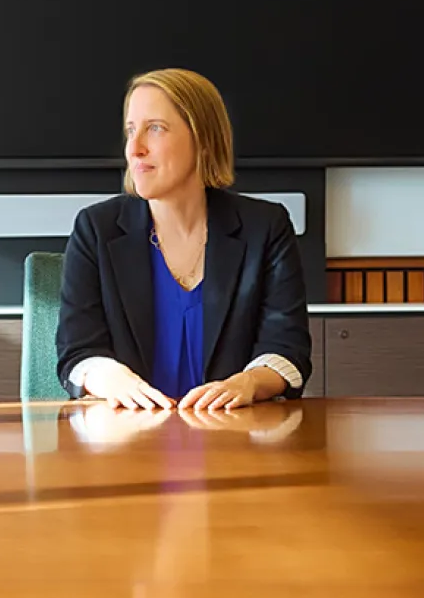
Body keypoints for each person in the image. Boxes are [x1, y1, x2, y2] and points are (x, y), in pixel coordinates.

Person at [55, 68, 313, 409]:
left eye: (155, 129)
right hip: (127, 443)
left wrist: (248, 382)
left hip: (234, 443)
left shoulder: (265, 228)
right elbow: (77, 353)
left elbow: (288, 350)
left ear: (203, 139)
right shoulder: (95, 229)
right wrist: (107, 375)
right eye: (130, 131)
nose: (135, 148)